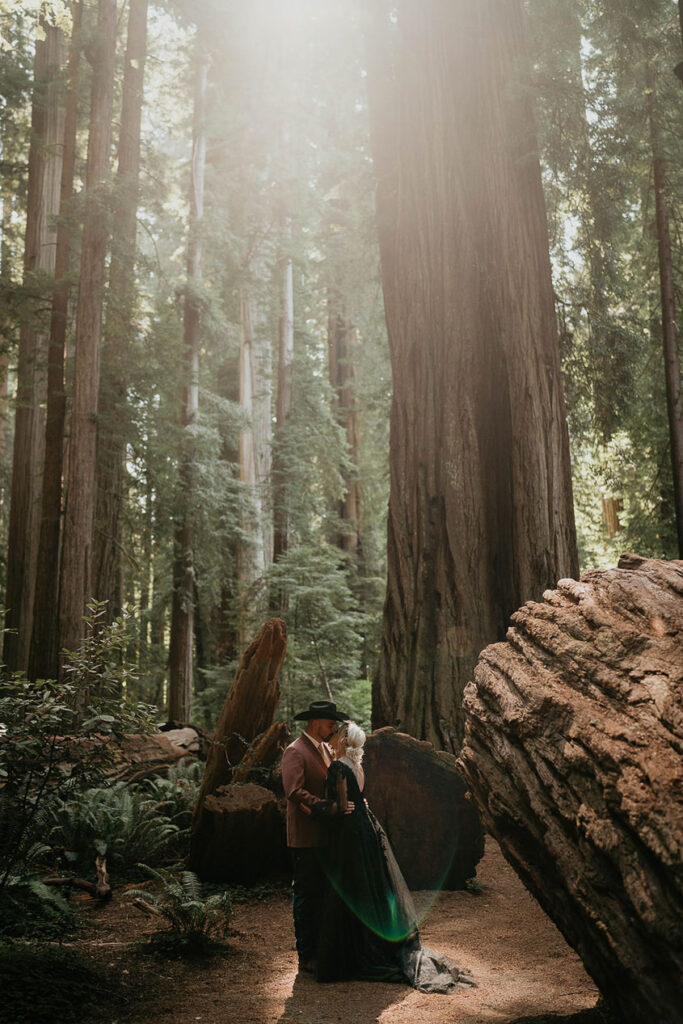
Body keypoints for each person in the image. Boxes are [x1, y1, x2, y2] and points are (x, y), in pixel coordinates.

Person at [315, 721, 475, 993]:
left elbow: (341, 806)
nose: (334, 737)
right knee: (369, 888)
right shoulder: (358, 766)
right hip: (366, 828)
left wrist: (321, 807)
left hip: (350, 835)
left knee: (351, 888)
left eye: (338, 734)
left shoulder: (339, 767)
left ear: (343, 740)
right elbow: (359, 799)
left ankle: (351, 955)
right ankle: (372, 945)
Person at [281, 699, 351, 973]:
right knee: (306, 897)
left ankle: (323, 951)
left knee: (323, 895)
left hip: (327, 837)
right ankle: (305, 955)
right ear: (315, 722)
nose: (333, 727)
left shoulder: (325, 748)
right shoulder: (294, 751)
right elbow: (294, 791)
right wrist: (326, 807)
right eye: (330, 723)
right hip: (306, 836)